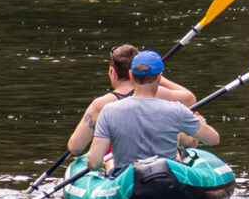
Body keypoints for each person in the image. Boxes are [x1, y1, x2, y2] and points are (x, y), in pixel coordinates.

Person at [90, 51, 219, 172]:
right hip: (168, 183)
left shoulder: (108, 111)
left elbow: (94, 163)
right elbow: (213, 140)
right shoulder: (177, 109)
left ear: (131, 75)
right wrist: (198, 124)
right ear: (159, 77)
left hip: (126, 185)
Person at [66, 44, 197, 161]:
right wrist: (158, 78)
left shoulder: (101, 105)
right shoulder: (159, 93)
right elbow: (190, 99)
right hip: (160, 161)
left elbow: (75, 147)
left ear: (112, 71)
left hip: (120, 166)